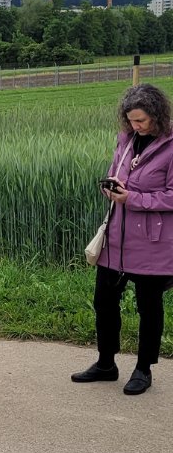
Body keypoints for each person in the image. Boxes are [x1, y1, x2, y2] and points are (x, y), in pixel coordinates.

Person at [72, 82, 173, 396]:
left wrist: (134, 199)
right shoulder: (126, 141)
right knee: (104, 301)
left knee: (149, 307)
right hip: (116, 236)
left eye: (141, 120)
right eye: (131, 120)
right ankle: (106, 364)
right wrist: (111, 188)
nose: (136, 126)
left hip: (153, 243)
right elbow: (115, 172)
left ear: (157, 114)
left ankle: (144, 369)